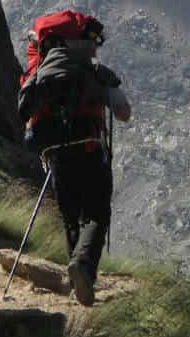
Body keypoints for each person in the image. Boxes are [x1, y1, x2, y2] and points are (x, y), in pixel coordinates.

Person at [18, 18, 131, 306]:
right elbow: (123, 113)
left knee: (70, 217)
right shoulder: (94, 73)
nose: (96, 49)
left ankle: (76, 282)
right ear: (82, 43)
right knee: (96, 213)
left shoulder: (38, 72)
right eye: (94, 43)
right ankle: (83, 268)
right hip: (89, 148)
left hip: (54, 152)